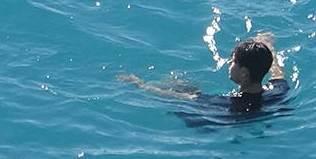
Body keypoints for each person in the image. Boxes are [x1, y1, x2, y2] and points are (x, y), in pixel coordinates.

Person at [118, 32, 290, 118]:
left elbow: (177, 97)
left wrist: (139, 85)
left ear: (244, 72)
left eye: (233, 61)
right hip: (255, 115)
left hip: (221, 121)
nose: (229, 63)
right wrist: (268, 45)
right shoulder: (278, 92)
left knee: (185, 87)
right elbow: (277, 72)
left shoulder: (225, 104)